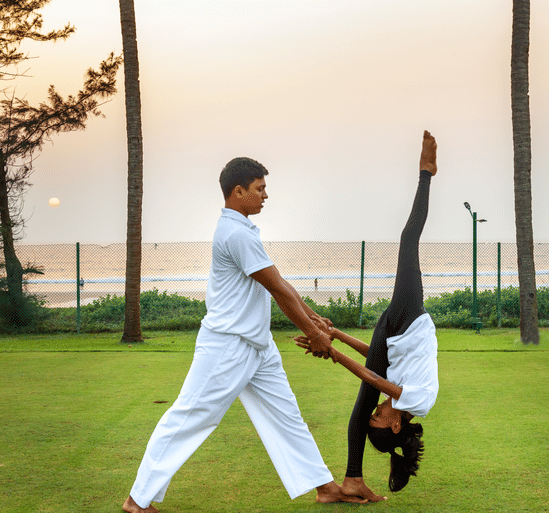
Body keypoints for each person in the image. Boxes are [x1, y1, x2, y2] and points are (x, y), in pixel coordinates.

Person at [123, 157, 363, 513]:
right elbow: (279, 291)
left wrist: (316, 320)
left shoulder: (245, 231)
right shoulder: (235, 233)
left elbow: (280, 285)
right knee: (189, 417)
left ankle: (326, 487)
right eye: (259, 188)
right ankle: (137, 501)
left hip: (257, 346)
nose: (266, 195)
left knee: (287, 416)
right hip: (227, 345)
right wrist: (314, 334)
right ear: (238, 192)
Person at [296, 130, 440, 502]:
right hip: (409, 321)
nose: (380, 409)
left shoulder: (399, 403)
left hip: (393, 337)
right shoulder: (418, 400)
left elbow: (375, 366)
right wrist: (331, 351)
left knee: (362, 399)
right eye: (381, 416)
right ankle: (426, 173)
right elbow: (374, 375)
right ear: (395, 423)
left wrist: (337, 336)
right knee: (409, 239)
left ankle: (352, 480)